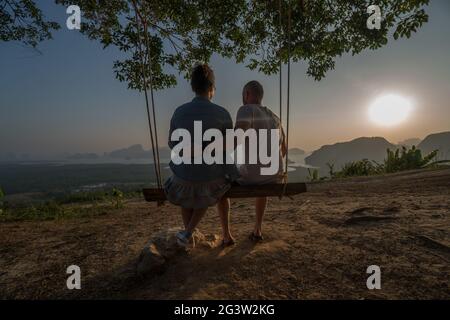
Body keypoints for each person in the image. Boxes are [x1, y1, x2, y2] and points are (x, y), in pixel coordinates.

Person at [164, 63, 238, 247]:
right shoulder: (222, 113)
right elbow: (229, 146)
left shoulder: (179, 112)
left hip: (183, 180)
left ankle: (187, 235)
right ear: (212, 88)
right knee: (219, 186)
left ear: (193, 87)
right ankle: (205, 233)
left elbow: (172, 144)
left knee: (189, 189)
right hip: (210, 180)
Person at [234, 80, 287, 241]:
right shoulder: (275, 117)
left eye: (243, 95)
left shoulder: (245, 109)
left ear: (247, 94)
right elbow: (284, 150)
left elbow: (235, 140)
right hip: (274, 175)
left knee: (223, 175)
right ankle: (257, 230)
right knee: (262, 179)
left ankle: (226, 234)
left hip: (252, 176)